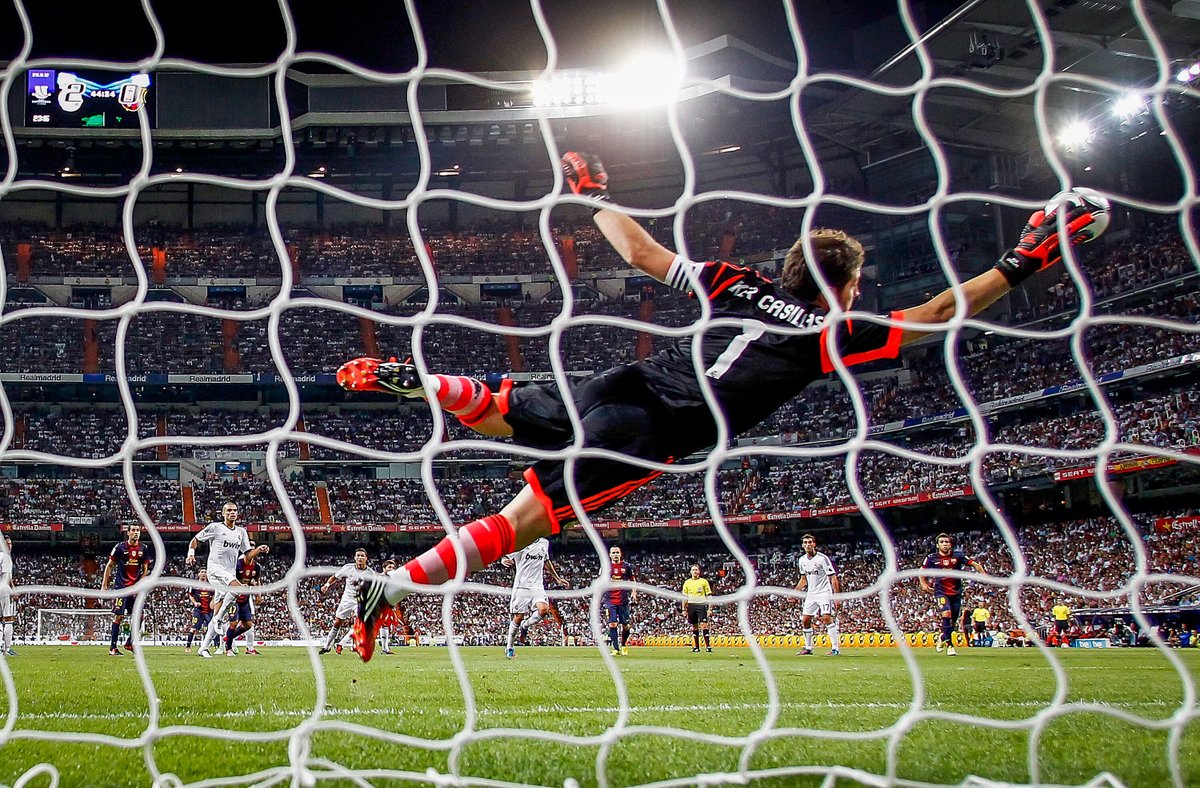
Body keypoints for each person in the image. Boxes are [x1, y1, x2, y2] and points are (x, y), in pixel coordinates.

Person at [341, 151, 1107, 662]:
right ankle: (391, 587)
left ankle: (429, 383)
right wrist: (1025, 259)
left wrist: (591, 196)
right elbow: (936, 314)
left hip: (625, 380)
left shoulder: (737, 282)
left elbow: (640, 252)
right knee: (523, 523)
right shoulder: (828, 333)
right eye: (856, 285)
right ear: (843, 287)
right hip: (655, 428)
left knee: (505, 408)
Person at [186, 502, 268, 658]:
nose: (232, 513)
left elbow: (247, 555)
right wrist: (191, 554)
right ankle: (217, 620)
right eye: (229, 510)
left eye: (235, 510)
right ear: (223, 513)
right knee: (239, 589)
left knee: (219, 611)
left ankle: (203, 647)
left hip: (229, 575)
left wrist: (258, 549)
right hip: (215, 570)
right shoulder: (215, 527)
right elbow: (195, 540)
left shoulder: (241, 532)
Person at [919, 533, 987, 656]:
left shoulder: (958, 556)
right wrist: (923, 584)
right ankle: (950, 646)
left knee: (953, 622)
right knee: (946, 614)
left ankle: (943, 637)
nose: (944, 544)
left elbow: (975, 564)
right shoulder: (931, 558)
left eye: (947, 542)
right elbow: (921, 572)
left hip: (956, 592)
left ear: (950, 544)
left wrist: (984, 575)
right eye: (942, 542)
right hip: (940, 592)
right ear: (937, 545)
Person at [500, 536, 569, 659]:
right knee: (518, 617)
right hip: (521, 586)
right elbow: (506, 556)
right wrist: (503, 560)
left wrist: (557, 578)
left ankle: (525, 626)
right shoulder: (521, 541)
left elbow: (546, 561)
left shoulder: (544, 542)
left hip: (537, 585)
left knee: (544, 610)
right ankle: (509, 647)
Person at [100, 524, 155, 656]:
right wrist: (104, 585)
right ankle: (113, 648)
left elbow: (145, 570)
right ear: (128, 533)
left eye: (138, 530)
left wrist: (139, 585)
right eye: (133, 530)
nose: (136, 533)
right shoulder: (120, 547)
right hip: (121, 588)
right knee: (119, 616)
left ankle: (129, 643)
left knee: (140, 616)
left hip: (134, 589)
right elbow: (110, 565)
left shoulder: (143, 548)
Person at [794, 534, 841, 656]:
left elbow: (833, 577)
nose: (808, 544)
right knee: (805, 620)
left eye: (810, 542)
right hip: (811, 593)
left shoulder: (822, 558)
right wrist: (794, 592)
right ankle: (808, 648)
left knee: (826, 618)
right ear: (802, 545)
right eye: (805, 542)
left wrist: (836, 597)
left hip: (824, 592)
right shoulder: (802, 560)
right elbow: (803, 579)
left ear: (814, 544)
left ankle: (835, 648)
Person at [319, 548, 372, 655]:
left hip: (360, 601)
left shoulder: (370, 573)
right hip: (347, 599)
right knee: (338, 622)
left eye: (362, 556)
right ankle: (327, 646)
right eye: (358, 555)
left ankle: (341, 644)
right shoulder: (348, 568)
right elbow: (335, 577)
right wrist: (327, 585)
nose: (360, 558)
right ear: (355, 557)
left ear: (366, 558)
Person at [223, 544, 263, 656]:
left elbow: (257, 581)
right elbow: (230, 580)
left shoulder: (256, 567)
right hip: (234, 597)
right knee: (233, 623)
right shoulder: (237, 565)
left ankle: (228, 638)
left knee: (248, 625)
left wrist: (258, 594)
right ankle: (228, 649)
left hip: (245, 598)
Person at [681, 564, 713, 653]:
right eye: (693, 570)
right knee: (694, 626)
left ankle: (708, 646)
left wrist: (710, 608)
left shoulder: (703, 581)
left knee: (704, 625)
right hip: (691, 605)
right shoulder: (687, 582)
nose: (695, 571)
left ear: (699, 571)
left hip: (701, 604)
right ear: (690, 572)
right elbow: (684, 597)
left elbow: (709, 595)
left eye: (696, 570)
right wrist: (683, 609)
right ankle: (696, 647)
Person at [185, 569, 215, 653]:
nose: (203, 573)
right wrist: (195, 602)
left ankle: (214, 646)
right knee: (194, 628)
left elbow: (213, 595)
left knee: (212, 629)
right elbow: (191, 595)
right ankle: (188, 646)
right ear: (198, 574)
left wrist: (212, 602)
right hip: (199, 611)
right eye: (202, 572)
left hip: (209, 611)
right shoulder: (194, 585)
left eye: (205, 572)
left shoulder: (210, 585)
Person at [0, 536, 14, 657]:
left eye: (10, 543)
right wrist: (13, 591)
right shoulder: (6, 557)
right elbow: (7, 577)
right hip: (3, 589)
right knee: (8, 618)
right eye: (7, 544)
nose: (10, 546)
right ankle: (7, 648)